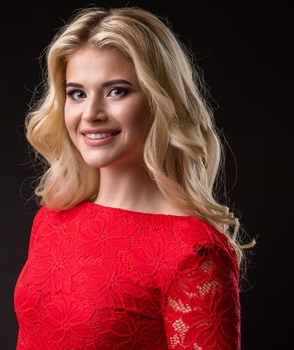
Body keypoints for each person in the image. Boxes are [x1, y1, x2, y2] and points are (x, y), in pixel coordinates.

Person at [14, 5, 256, 349]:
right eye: (77, 93)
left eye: (117, 91)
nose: (92, 113)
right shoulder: (53, 219)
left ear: (160, 100)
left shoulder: (193, 251)